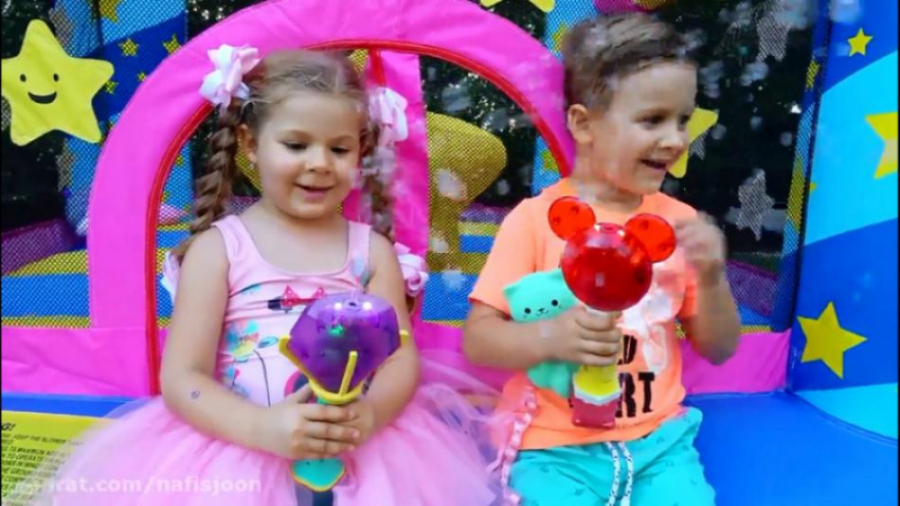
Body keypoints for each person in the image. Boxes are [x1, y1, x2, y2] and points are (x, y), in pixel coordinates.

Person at [11, 48, 497, 506]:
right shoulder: (218, 250)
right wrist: (261, 429)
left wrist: (370, 416)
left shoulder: (371, 251)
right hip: (235, 451)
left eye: (339, 148)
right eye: (296, 144)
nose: (319, 163)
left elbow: (398, 358)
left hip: (363, 453)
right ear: (249, 143)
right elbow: (183, 377)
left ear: (360, 152)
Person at [463, 13, 741, 506]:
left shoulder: (680, 225)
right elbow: (479, 342)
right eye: (652, 120)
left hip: (661, 446)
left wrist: (713, 276)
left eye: (682, 119)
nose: (675, 139)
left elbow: (719, 349)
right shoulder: (534, 221)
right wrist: (550, 336)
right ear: (583, 124)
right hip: (553, 450)